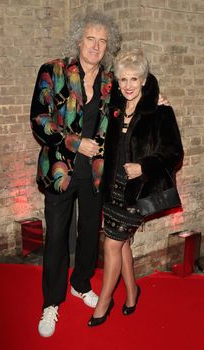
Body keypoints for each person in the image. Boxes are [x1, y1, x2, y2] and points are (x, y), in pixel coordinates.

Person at [30, 11, 121, 337]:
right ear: (78, 41)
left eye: (102, 41)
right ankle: (51, 303)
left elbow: (134, 104)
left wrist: (157, 103)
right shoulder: (52, 71)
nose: (96, 46)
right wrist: (74, 142)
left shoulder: (110, 81)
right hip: (60, 170)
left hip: (95, 174)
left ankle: (80, 284)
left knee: (88, 236)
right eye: (90, 39)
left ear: (107, 47)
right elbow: (39, 119)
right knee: (56, 238)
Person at [88, 49, 184, 327]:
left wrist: (144, 166)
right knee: (121, 244)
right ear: (117, 82)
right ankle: (132, 293)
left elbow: (174, 153)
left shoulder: (160, 110)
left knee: (111, 243)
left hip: (137, 190)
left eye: (134, 79)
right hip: (113, 187)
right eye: (123, 80)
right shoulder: (115, 108)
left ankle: (104, 301)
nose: (128, 85)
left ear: (144, 79)